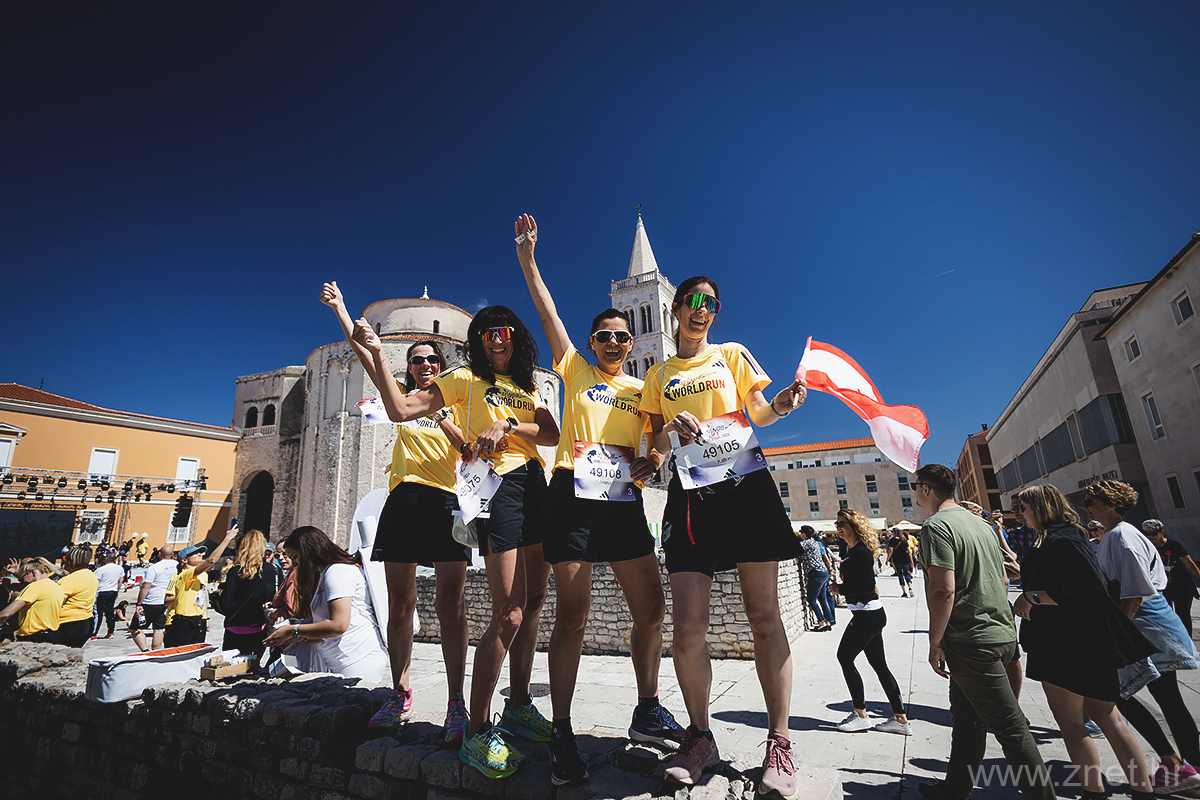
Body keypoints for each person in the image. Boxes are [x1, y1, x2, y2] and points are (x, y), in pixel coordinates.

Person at [514, 214, 685, 784]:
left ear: (632, 343)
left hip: (623, 500)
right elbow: (548, 314)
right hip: (572, 497)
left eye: (622, 337)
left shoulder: (645, 387)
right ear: (592, 343)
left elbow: (658, 437)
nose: (614, 342)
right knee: (573, 615)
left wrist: (654, 457)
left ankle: (647, 709)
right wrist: (529, 260)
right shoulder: (575, 369)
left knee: (652, 610)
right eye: (605, 336)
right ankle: (562, 731)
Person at [357, 302, 561, 780]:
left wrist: (508, 424)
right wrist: (378, 354)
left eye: (504, 330)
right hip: (500, 489)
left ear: (516, 337)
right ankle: (476, 728)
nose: (497, 338)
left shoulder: (526, 384)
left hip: (537, 484)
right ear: (476, 341)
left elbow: (550, 434)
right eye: (487, 332)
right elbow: (400, 409)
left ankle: (519, 706)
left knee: (533, 603)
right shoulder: (463, 379)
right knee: (509, 612)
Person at [640, 275, 807, 797]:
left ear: (715, 313)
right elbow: (653, 442)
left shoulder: (731, 354)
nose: (701, 309)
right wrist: (670, 431)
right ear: (675, 309)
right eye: (692, 301)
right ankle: (700, 738)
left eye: (710, 304)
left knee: (764, 616)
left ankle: (779, 743)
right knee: (688, 628)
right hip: (690, 496)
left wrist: (780, 406)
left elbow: (758, 411)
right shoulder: (658, 373)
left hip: (744, 486)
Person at [321, 282, 473, 744]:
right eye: (417, 360)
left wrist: (442, 418)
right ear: (409, 367)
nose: (425, 365)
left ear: (441, 368)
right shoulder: (399, 401)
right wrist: (341, 309)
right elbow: (365, 353)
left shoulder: (456, 405)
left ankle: (456, 701)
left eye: (432, 361)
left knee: (451, 606)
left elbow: (467, 449)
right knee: (401, 603)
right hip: (404, 500)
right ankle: (399, 691)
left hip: (446, 501)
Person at [912, 464, 1053, 800]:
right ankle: (954, 790)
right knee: (967, 720)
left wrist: (934, 642)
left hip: (972, 640)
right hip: (999, 632)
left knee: (1011, 728)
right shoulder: (981, 524)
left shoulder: (936, 526)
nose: (915, 491)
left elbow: (943, 590)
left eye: (916, 486)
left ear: (926, 488)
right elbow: (1003, 577)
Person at [1011, 485, 1156, 800]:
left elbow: (1085, 590)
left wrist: (1031, 596)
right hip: (1082, 641)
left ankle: (1095, 792)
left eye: (1024, 508)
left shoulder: (1061, 539)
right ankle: (1141, 791)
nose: (1021, 514)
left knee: (1073, 723)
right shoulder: (1065, 536)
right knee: (1109, 717)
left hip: (1065, 643)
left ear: (1040, 507)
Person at [1085, 480, 1200, 795]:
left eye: (1092, 501)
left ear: (1111, 504)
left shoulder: (1122, 536)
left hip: (1144, 624)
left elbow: (1134, 591)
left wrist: (1118, 635)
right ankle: (1184, 767)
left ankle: (1179, 766)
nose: (1087, 507)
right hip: (1146, 623)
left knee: (1117, 694)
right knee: (1166, 698)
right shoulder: (1118, 535)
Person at [262, 526, 387, 683]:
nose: (294, 563)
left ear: (308, 552)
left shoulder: (338, 572)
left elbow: (338, 625)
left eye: (295, 557)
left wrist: (292, 631)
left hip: (356, 658)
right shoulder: (325, 574)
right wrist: (298, 636)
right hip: (339, 659)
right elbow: (324, 628)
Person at [830, 510, 911, 735]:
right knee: (880, 666)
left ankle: (860, 715)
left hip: (866, 615)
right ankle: (901, 720)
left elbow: (867, 587)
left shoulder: (860, 553)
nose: (838, 527)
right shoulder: (853, 551)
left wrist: (840, 589)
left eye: (842, 523)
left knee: (844, 657)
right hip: (870, 614)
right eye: (837, 523)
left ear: (854, 525)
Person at [163, 528, 237, 647]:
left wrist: (205, 618)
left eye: (200, 552)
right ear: (184, 560)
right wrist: (227, 539)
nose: (200, 554)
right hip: (182, 620)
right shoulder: (184, 574)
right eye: (195, 553)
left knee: (196, 653)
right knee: (178, 654)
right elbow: (211, 561)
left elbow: (201, 598)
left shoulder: (203, 575)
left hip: (198, 619)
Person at [215, 529, 281, 659]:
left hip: (236, 628)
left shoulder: (236, 571)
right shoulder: (274, 570)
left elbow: (226, 606)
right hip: (260, 627)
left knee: (231, 666)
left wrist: (215, 598)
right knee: (253, 665)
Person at [1143, 519, 1200, 637]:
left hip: (1182, 586)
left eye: (1153, 534)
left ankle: (1187, 640)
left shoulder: (1174, 545)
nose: (1150, 537)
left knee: (1183, 615)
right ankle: (1173, 640)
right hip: (1163, 588)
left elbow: (1189, 564)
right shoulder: (1147, 547)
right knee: (1167, 617)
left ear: (1162, 532)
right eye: (1147, 534)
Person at [0, 559, 64, 642]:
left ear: (33, 572)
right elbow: (23, 622)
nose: (23, 583)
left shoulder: (35, 586)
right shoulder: (57, 587)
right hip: (53, 635)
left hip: (34, 637)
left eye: (22, 579)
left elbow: (6, 613)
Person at [132, 546, 176, 651]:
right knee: (159, 628)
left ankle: (145, 650)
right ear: (172, 554)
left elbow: (145, 586)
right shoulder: (177, 565)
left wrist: (139, 603)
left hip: (152, 600)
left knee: (134, 628)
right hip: (167, 599)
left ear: (160, 554)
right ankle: (156, 650)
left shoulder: (154, 567)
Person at [57, 546, 99, 647]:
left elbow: (56, 604)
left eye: (67, 559)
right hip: (86, 621)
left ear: (74, 561)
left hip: (68, 623)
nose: (64, 561)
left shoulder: (69, 580)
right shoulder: (91, 576)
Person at [797, 526, 835, 631]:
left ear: (804, 534)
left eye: (801, 533)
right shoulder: (814, 542)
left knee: (811, 599)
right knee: (822, 599)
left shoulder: (806, 542)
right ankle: (829, 621)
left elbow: (795, 549)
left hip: (816, 573)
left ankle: (821, 622)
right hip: (823, 572)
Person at [93, 552, 124, 639]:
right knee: (110, 612)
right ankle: (111, 632)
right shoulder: (119, 568)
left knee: (98, 613)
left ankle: (94, 633)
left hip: (102, 591)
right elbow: (120, 580)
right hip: (113, 591)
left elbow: (96, 581)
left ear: (106, 560)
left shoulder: (101, 569)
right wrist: (117, 591)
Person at [886, 527, 915, 598]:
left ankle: (904, 592)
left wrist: (887, 559)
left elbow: (890, 551)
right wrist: (911, 561)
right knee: (906, 573)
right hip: (905, 559)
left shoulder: (892, 540)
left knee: (900, 574)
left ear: (894, 532)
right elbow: (909, 551)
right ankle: (910, 587)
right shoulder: (904, 540)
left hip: (897, 559)